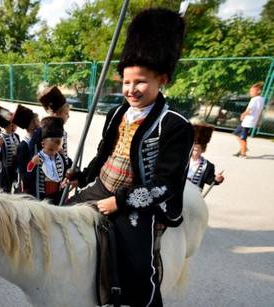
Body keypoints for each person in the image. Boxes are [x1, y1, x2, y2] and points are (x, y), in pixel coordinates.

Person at [65, 9, 192, 306]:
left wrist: (120, 202)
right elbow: (103, 153)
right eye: (126, 82)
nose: (131, 89)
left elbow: (166, 185)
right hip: (102, 186)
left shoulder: (175, 125)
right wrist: (82, 175)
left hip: (138, 201)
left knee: (138, 269)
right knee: (57, 222)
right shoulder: (117, 112)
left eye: (140, 82)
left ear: (162, 79)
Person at [27, 117, 71, 204]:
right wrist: (32, 163)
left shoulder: (60, 157)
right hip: (42, 193)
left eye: (56, 150)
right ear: (43, 144)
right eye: (50, 150)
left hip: (56, 193)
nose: (53, 152)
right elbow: (29, 172)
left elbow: (64, 171)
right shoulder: (38, 157)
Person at [30, 85, 70, 156]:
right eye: (66, 113)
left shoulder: (63, 132)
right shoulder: (41, 132)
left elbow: (64, 156)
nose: (68, 116)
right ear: (56, 114)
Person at [0, 105, 20, 193]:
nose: (12, 125)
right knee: (6, 191)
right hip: (6, 169)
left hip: (16, 168)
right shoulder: (0, 138)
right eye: (10, 124)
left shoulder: (16, 136)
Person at [12, 104, 40, 194]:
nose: (39, 124)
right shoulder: (23, 146)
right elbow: (23, 172)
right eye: (37, 121)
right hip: (31, 187)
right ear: (31, 125)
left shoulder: (38, 140)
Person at [232, 82, 265, 158]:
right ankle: (243, 149)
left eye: (252, 91)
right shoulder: (262, 99)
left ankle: (243, 153)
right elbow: (260, 111)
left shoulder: (254, 99)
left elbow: (250, 110)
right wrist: (258, 121)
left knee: (243, 137)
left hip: (248, 121)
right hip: (251, 121)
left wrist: (243, 114)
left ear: (258, 91)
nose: (250, 93)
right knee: (237, 133)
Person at [188, 124, 224, 190]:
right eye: (192, 150)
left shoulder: (208, 166)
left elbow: (210, 180)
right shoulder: (182, 159)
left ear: (203, 150)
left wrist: (217, 179)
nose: (194, 152)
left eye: (196, 150)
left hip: (193, 193)